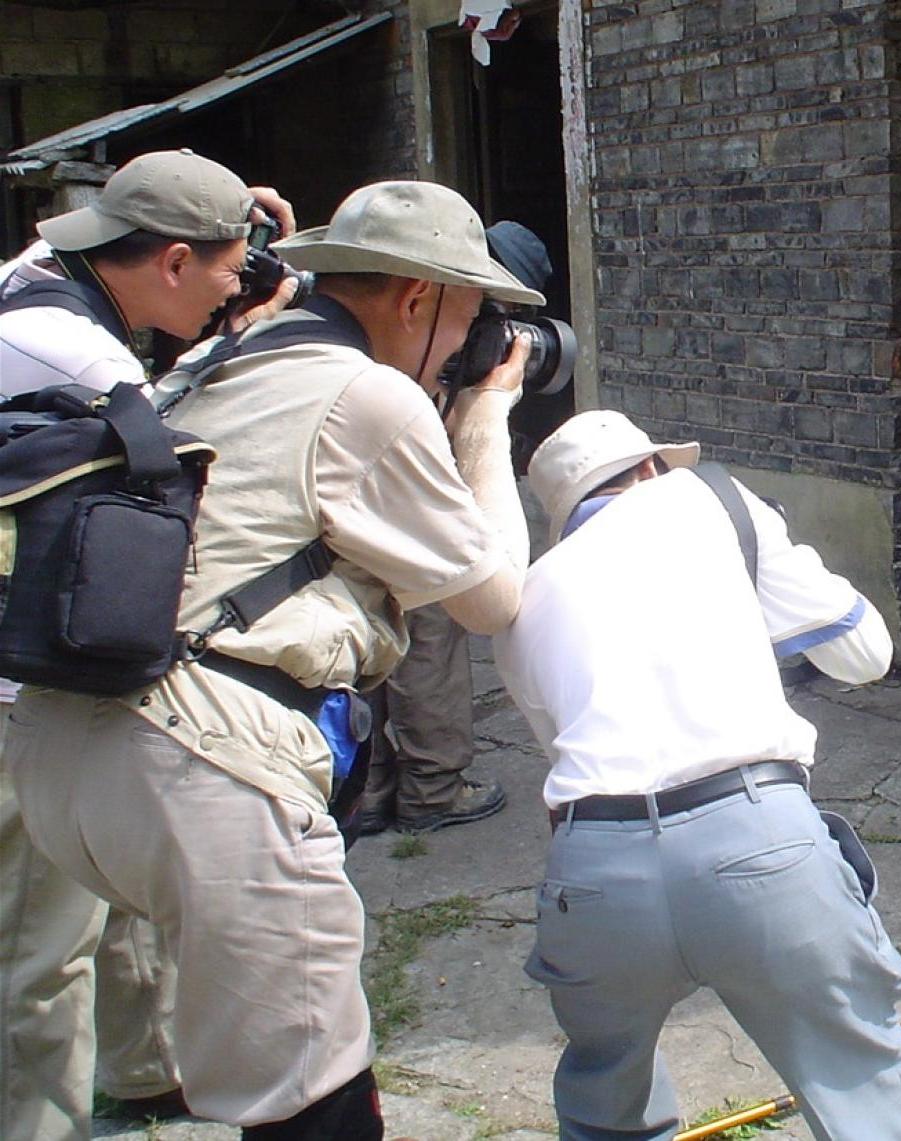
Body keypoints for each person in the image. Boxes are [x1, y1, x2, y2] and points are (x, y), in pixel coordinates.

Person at [3, 177, 540, 1137]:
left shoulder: (222, 352)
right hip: (201, 769)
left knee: (180, 1019)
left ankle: (145, 1081)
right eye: (470, 316)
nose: (473, 344)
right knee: (313, 1098)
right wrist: (485, 420)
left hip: (62, 749)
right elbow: (496, 597)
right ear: (417, 297)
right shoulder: (365, 395)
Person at [493, 411, 901, 1141]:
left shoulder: (522, 595)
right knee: (864, 1082)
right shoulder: (712, 499)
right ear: (649, 467)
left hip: (595, 869)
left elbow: (564, 747)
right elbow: (864, 655)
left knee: (608, 1106)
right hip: (755, 838)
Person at [0, 150, 297, 1138]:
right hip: (25, 689)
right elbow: (166, 461)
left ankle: (143, 1069)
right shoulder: (78, 352)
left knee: (111, 893)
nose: (233, 291)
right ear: (170, 260)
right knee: (44, 952)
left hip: (51, 657)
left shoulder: (36, 284)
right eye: (225, 270)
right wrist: (242, 346)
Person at [361, 220, 554, 835]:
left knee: (360, 637)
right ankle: (433, 790)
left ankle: (364, 786)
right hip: (414, 506)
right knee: (428, 641)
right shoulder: (447, 341)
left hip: (350, 512)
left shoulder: (379, 324)